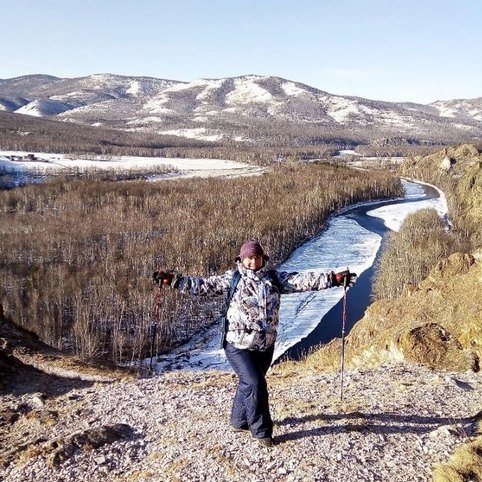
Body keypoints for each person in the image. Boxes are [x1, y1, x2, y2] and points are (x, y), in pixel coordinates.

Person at [153, 240, 357, 448]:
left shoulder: (274, 279)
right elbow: (203, 286)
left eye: (257, 257)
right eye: (249, 257)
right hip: (238, 345)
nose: (253, 261)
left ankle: (239, 421)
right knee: (256, 384)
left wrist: (334, 278)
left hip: (265, 345)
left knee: (249, 383)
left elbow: (304, 280)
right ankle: (262, 431)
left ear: (263, 259)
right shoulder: (232, 279)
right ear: (242, 259)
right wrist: (174, 281)